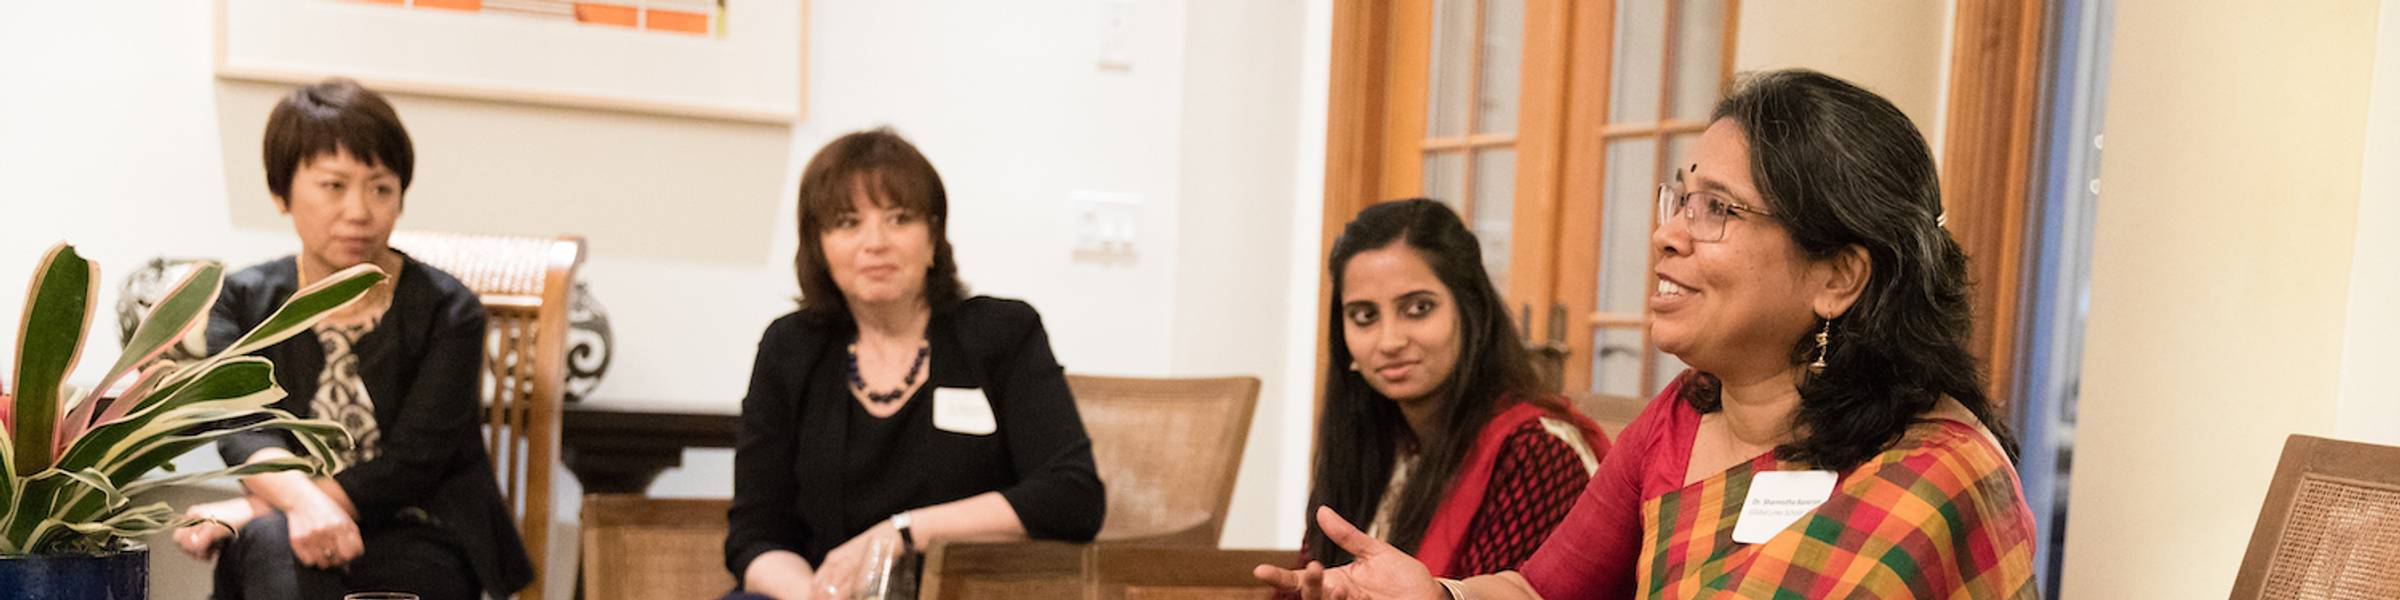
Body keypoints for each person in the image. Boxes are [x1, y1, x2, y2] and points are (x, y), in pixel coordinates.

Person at [1257, 69, 2039, 599]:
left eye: (1717, 210)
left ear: (1838, 275)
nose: (1668, 237)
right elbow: (1539, 591)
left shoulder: (1942, 478)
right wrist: (1438, 593)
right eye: (1681, 199)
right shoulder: (1681, 419)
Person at [173, 77, 534, 600]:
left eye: (381, 187)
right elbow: (241, 428)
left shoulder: (449, 309)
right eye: (334, 185)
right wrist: (298, 508)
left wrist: (263, 504)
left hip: (419, 523)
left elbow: (415, 460)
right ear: (282, 192)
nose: (360, 211)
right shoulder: (242, 301)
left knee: (401, 567)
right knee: (274, 547)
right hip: (286, 528)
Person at [724, 128, 1106, 600]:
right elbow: (755, 535)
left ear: (933, 239)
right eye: (847, 222)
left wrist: (901, 533)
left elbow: (1071, 497)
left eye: (899, 219)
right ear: (819, 246)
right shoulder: (790, 347)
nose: (875, 242)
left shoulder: (1002, 334)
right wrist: (812, 597)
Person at [1300, 199, 1607, 581]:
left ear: (1471, 310)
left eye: (1418, 308)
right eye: (1365, 316)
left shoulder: (1535, 452)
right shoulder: (1369, 442)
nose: (1390, 340)